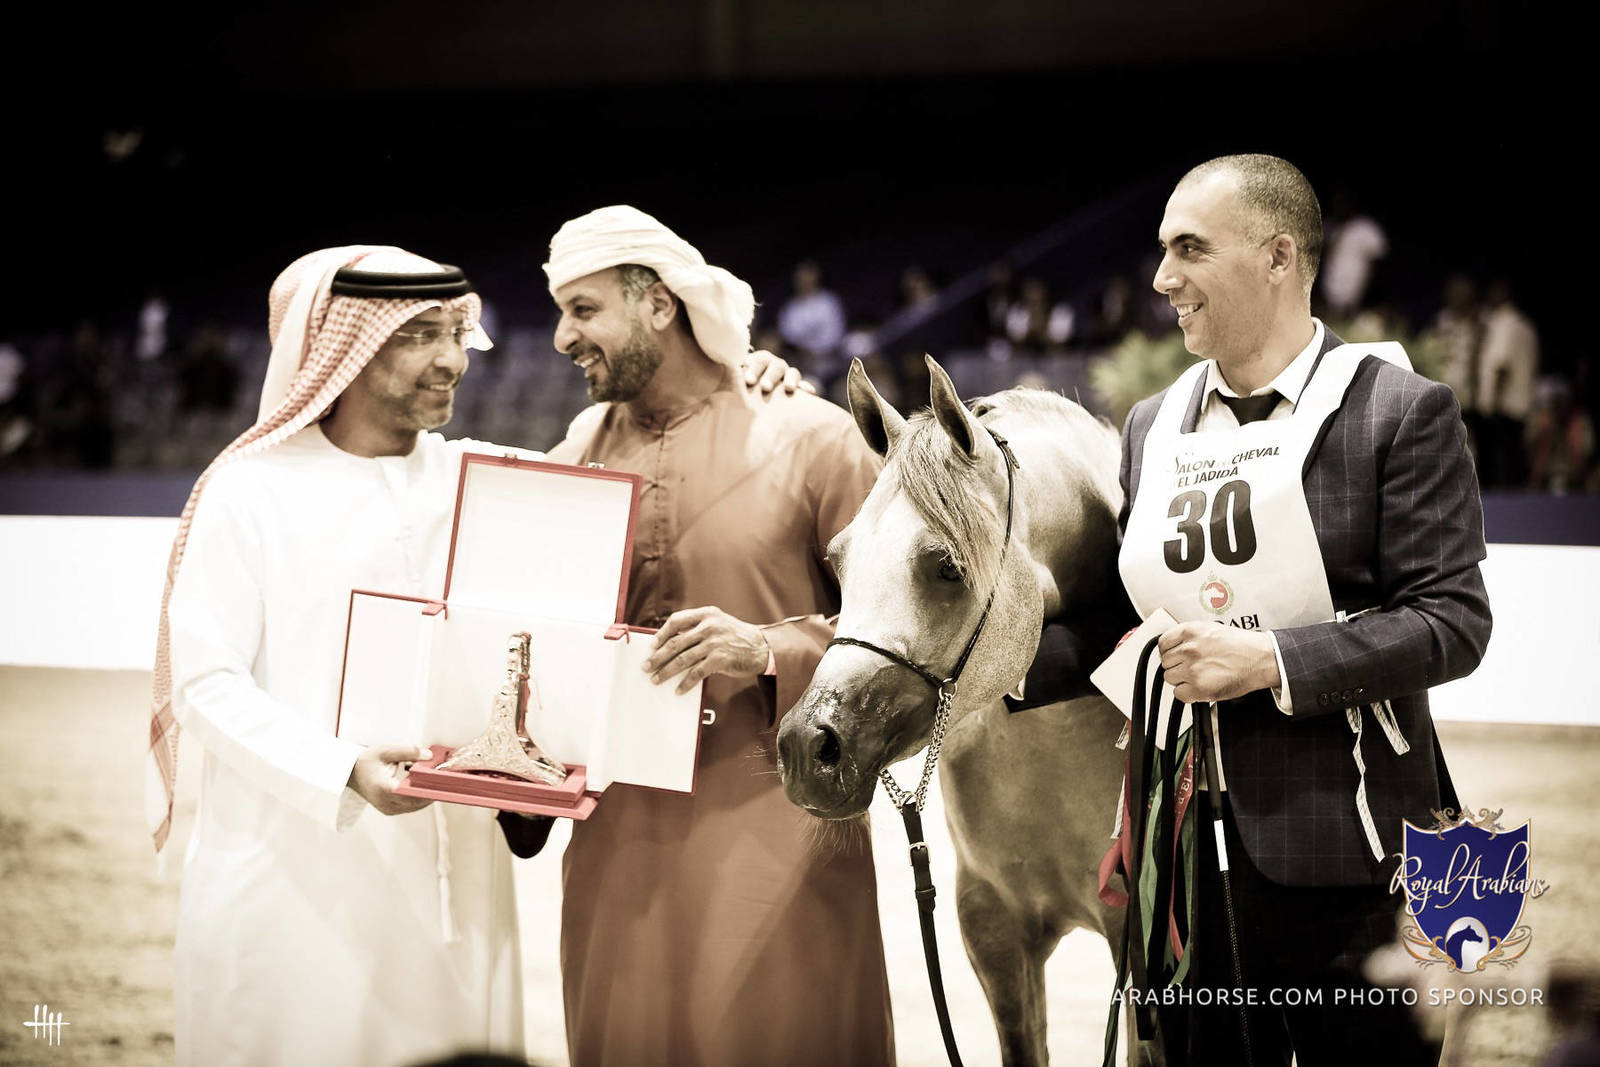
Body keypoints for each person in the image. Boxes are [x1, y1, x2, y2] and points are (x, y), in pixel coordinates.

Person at [146, 246, 801, 1066]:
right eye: (420, 335)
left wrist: (746, 389)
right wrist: (343, 770)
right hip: (293, 876)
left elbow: (653, 442)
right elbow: (204, 685)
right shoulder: (251, 491)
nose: (453, 359)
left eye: (457, 333)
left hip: (453, 889)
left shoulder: (486, 476)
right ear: (342, 349)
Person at [1024, 155, 1492, 1065]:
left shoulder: (1399, 411)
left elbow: (1453, 621)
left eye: (1189, 248)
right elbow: (1131, 616)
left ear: (1279, 257)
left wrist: (1268, 661)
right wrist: (974, 662)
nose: (1162, 278)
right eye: (1163, 251)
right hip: (1182, 864)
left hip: (1358, 858)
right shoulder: (1152, 424)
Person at [542, 206, 895, 1067]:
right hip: (614, 843)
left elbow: (904, 639)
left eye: (583, 309)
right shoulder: (575, 458)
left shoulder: (815, 438)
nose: (561, 337)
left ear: (659, 305)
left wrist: (768, 650)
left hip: (778, 830)